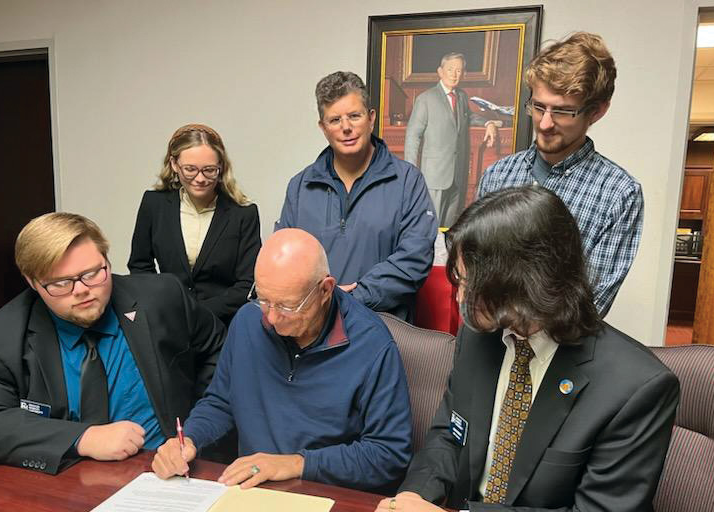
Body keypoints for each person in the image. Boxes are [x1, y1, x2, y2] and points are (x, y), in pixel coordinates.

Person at [365, 186, 679, 512]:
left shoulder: (636, 387)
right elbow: (449, 436)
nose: (458, 297)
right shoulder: (480, 338)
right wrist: (410, 504)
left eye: (469, 282)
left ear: (522, 283)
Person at [0, 213, 225, 474]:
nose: (82, 290)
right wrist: (83, 438)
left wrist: (196, 426)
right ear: (33, 282)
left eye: (93, 273)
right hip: (64, 481)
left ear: (107, 260)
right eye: (61, 283)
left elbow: (220, 353)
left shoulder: (162, 297)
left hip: (163, 473)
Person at [152, 228, 413, 493]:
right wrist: (189, 439)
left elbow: (388, 455)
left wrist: (297, 464)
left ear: (326, 290)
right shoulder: (248, 322)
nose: (273, 319)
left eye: (288, 307)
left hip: (326, 497)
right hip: (252, 491)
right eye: (264, 299)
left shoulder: (371, 346)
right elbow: (221, 402)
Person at [476, 32, 642, 317]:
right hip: (486, 342)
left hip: (559, 354)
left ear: (597, 111)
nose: (546, 123)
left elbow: (587, 305)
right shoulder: (497, 175)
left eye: (564, 112)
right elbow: (475, 271)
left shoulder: (619, 194)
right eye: (539, 107)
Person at [275, 71, 437, 322]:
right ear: (323, 128)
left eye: (354, 116)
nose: (346, 128)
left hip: (383, 329)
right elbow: (284, 259)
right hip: (312, 332)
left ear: (371, 118)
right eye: (335, 120)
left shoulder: (407, 182)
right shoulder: (300, 187)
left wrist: (353, 298)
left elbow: (415, 259)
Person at [128, 123, 261, 326]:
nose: (200, 179)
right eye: (190, 169)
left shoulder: (243, 214)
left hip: (223, 325)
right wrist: (162, 305)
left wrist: (196, 313)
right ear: (174, 164)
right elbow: (140, 266)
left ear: (221, 167)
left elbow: (247, 284)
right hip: (167, 322)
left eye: (209, 170)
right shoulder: (154, 204)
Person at [404, 52, 500, 227]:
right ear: (440, 71)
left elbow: (469, 116)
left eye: (459, 70)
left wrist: (489, 122)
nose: (455, 74)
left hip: (457, 174)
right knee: (430, 227)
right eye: (451, 69)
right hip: (434, 175)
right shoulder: (425, 99)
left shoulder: (461, 97)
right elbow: (412, 136)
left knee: (449, 228)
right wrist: (411, 173)